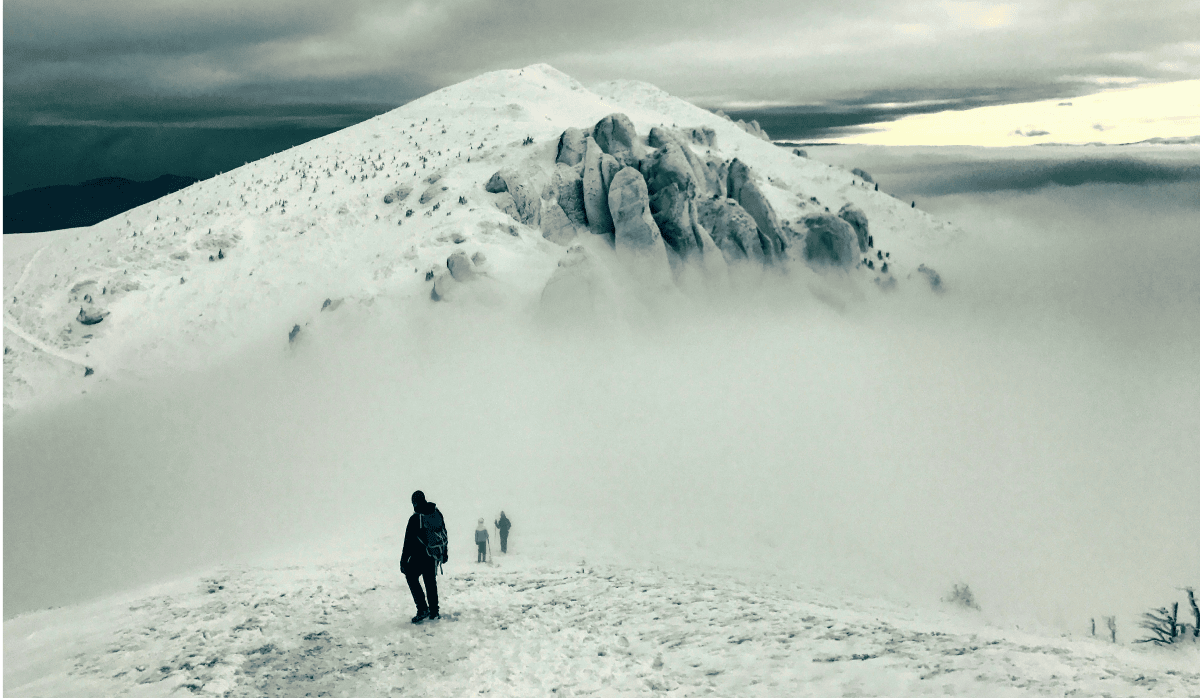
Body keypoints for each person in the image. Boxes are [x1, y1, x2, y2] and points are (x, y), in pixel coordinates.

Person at [402, 490, 445, 623]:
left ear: (414, 502)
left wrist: (403, 561)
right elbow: (443, 532)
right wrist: (444, 553)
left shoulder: (415, 518)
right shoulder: (436, 513)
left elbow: (408, 541)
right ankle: (434, 612)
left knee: (411, 576)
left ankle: (422, 609)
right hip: (433, 555)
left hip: (419, 556)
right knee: (431, 583)